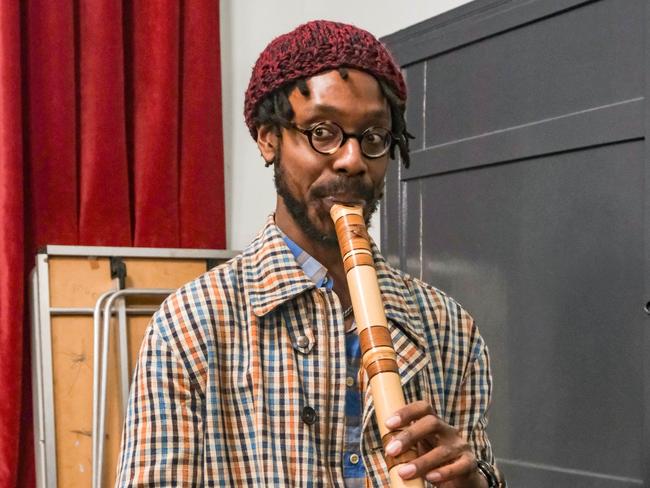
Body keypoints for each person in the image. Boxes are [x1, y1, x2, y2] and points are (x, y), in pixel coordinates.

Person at [116, 20, 505, 488]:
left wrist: (475, 483)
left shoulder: (450, 330)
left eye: (375, 137)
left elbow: (477, 468)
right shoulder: (190, 327)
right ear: (267, 138)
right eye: (323, 132)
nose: (352, 160)